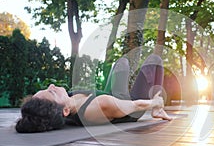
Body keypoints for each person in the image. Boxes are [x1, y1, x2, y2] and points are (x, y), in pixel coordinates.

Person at [15, 54, 172, 133]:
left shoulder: (68, 101)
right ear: (65, 111)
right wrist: (156, 103)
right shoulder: (97, 107)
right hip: (129, 105)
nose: (52, 85)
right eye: (52, 92)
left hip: (110, 94)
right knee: (154, 60)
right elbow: (136, 104)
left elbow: (34, 118)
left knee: (121, 62)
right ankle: (159, 107)